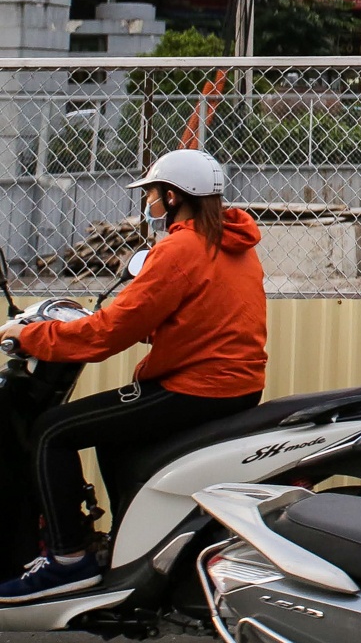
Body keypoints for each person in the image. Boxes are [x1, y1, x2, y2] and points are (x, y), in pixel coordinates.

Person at [0, 149, 266, 603]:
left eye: (152, 194)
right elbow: (205, 316)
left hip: (196, 386)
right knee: (115, 436)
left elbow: (106, 335)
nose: (149, 203)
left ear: (172, 195)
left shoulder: (179, 248)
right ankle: (131, 551)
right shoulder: (234, 242)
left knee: (51, 431)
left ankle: (68, 562)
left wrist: (34, 337)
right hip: (234, 384)